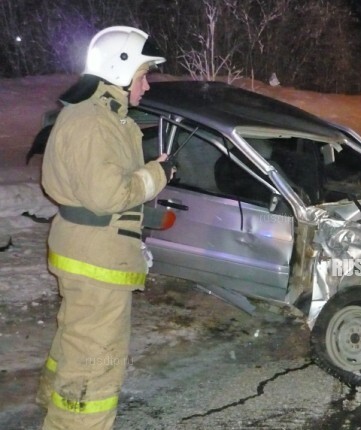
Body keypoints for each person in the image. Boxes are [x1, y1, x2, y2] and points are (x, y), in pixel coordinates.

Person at [36, 26, 174, 429]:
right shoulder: (95, 122)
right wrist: (157, 174)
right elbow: (107, 195)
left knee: (75, 338)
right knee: (96, 358)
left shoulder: (99, 116)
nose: (146, 85)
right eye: (144, 74)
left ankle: (52, 399)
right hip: (95, 259)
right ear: (120, 69)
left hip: (86, 251)